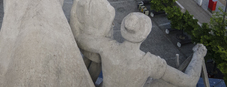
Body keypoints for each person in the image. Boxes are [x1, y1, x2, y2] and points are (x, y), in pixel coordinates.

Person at [75, 12, 207, 87]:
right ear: (145, 35)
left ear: (123, 30)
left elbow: (79, 39)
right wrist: (198, 55)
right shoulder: (150, 63)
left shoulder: (106, 47)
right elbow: (189, 81)